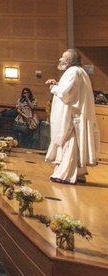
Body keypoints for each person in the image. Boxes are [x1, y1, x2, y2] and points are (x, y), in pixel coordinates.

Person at [45, 48, 100, 184]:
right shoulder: (79, 71)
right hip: (75, 116)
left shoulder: (73, 71)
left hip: (71, 118)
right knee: (75, 145)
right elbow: (72, 89)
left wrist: (54, 89)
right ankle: (79, 174)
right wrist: (58, 84)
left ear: (69, 60)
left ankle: (65, 175)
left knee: (70, 144)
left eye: (63, 57)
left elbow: (67, 95)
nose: (60, 59)